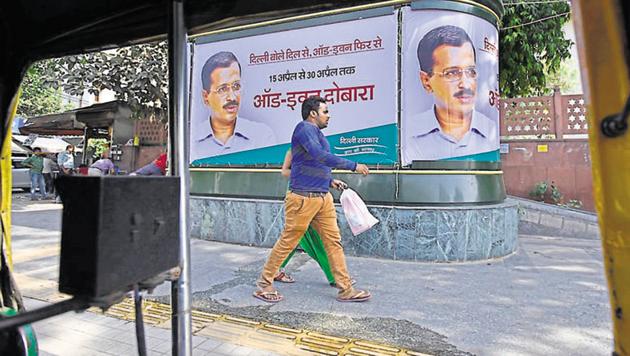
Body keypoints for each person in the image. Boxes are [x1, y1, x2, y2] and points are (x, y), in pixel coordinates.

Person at [254, 96, 371, 304]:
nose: (329, 115)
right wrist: (353, 165)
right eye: (325, 111)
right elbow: (318, 156)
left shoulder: (316, 134)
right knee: (288, 241)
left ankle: (345, 288)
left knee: (333, 241)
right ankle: (264, 284)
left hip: (322, 197)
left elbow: (312, 163)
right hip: (303, 198)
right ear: (313, 113)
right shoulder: (304, 128)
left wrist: (329, 181)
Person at [403, 25, 497, 163]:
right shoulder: (409, 135)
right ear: (426, 81)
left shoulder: (490, 131)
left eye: (471, 72)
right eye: (452, 73)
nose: (465, 84)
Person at [191, 51, 275, 161]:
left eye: (236, 86)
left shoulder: (262, 136)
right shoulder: (190, 140)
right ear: (206, 97)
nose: (232, 97)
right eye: (222, 89)